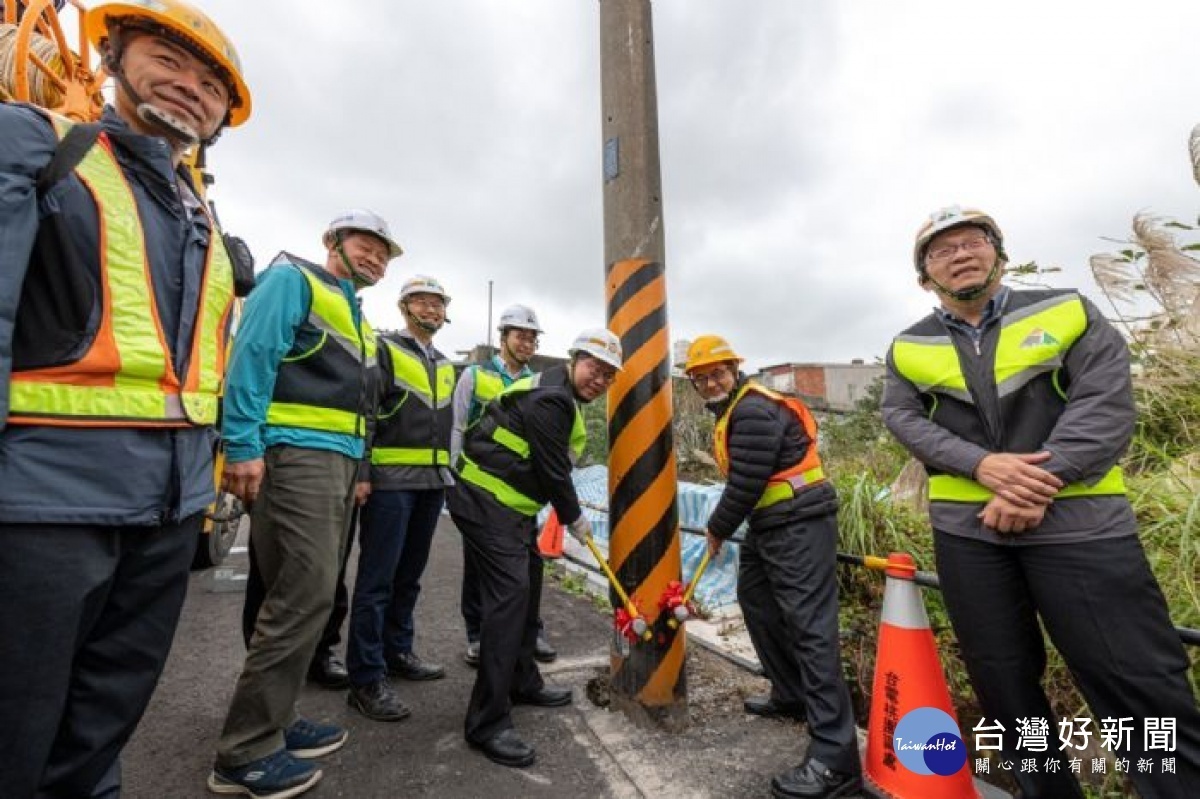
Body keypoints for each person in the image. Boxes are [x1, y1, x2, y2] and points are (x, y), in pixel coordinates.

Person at [0, 1, 249, 796]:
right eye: (168, 62)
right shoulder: (40, 144)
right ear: (112, 56)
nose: (191, 90)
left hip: (168, 514)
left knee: (101, 727)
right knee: (16, 734)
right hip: (46, 506)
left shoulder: (198, 211)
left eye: (212, 85)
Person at [883, 205, 1200, 798]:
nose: (959, 254)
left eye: (972, 241)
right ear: (924, 276)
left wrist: (1035, 486)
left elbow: (1104, 404)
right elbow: (900, 417)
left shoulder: (1067, 311)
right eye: (940, 250)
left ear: (998, 254)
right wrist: (981, 465)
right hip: (969, 538)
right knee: (1006, 692)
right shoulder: (907, 347)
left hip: (1082, 529)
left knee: (1137, 682)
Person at [212, 209, 402, 797]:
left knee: (299, 595)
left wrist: (359, 465)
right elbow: (253, 357)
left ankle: (275, 719)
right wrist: (241, 443)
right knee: (305, 595)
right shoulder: (294, 280)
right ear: (332, 242)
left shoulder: (358, 315)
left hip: (337, 462)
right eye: (364, 245)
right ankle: (244, 752)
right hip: (297, 456)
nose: (374, 257)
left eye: (383, 252)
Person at [684, 335, 862, 799]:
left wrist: (717, 528)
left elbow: (746, 481)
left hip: (799, 522)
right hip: (772, 522)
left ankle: (835, 761)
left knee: (811, 630)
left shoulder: (750, 411)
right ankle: (791, 693)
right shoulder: (734, 411)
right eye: (701, 377)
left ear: (735, 369)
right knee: (757, 602)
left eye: (717, 372)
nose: (710, 382)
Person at [449, 328, 620, 768]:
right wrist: (575, 518)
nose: (598, 380)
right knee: (508, 601)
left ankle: (523, 679)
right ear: (574, 359)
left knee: (530, 589)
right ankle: (486, 721)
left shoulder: (561, 395)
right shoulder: (552, 400)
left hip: (512, 506)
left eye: (607, 377)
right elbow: (552, 470)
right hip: (487, 501)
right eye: (593, 368)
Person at [345, 275, 456, 721]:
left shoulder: (446, 364)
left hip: (431, 485)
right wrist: (362, 470)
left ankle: (398, 653)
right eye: (422, 302)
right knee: (377, 582)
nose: (431, 309)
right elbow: (365, 411)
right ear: (404, 306)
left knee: (409, 577)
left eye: (437, 303)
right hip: (389, 483)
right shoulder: (385, 349)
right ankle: (366, 678)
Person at [450, 304, 557, 667]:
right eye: (520, 336)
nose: (526, 343)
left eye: (532, 338)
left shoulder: (537, 384)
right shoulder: (476, 377)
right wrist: (453, 477)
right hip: (478, 487)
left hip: (519, 492)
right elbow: (457, 426)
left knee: (530, 565)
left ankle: (531, 631)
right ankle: (478, 636)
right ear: (503, 338)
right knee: (477, 565)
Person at [241, 510, 358, 689]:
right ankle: (264, 658)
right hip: (280, 487)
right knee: (272, 567)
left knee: (330, 568)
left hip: (336, 486)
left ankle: (320, 652)